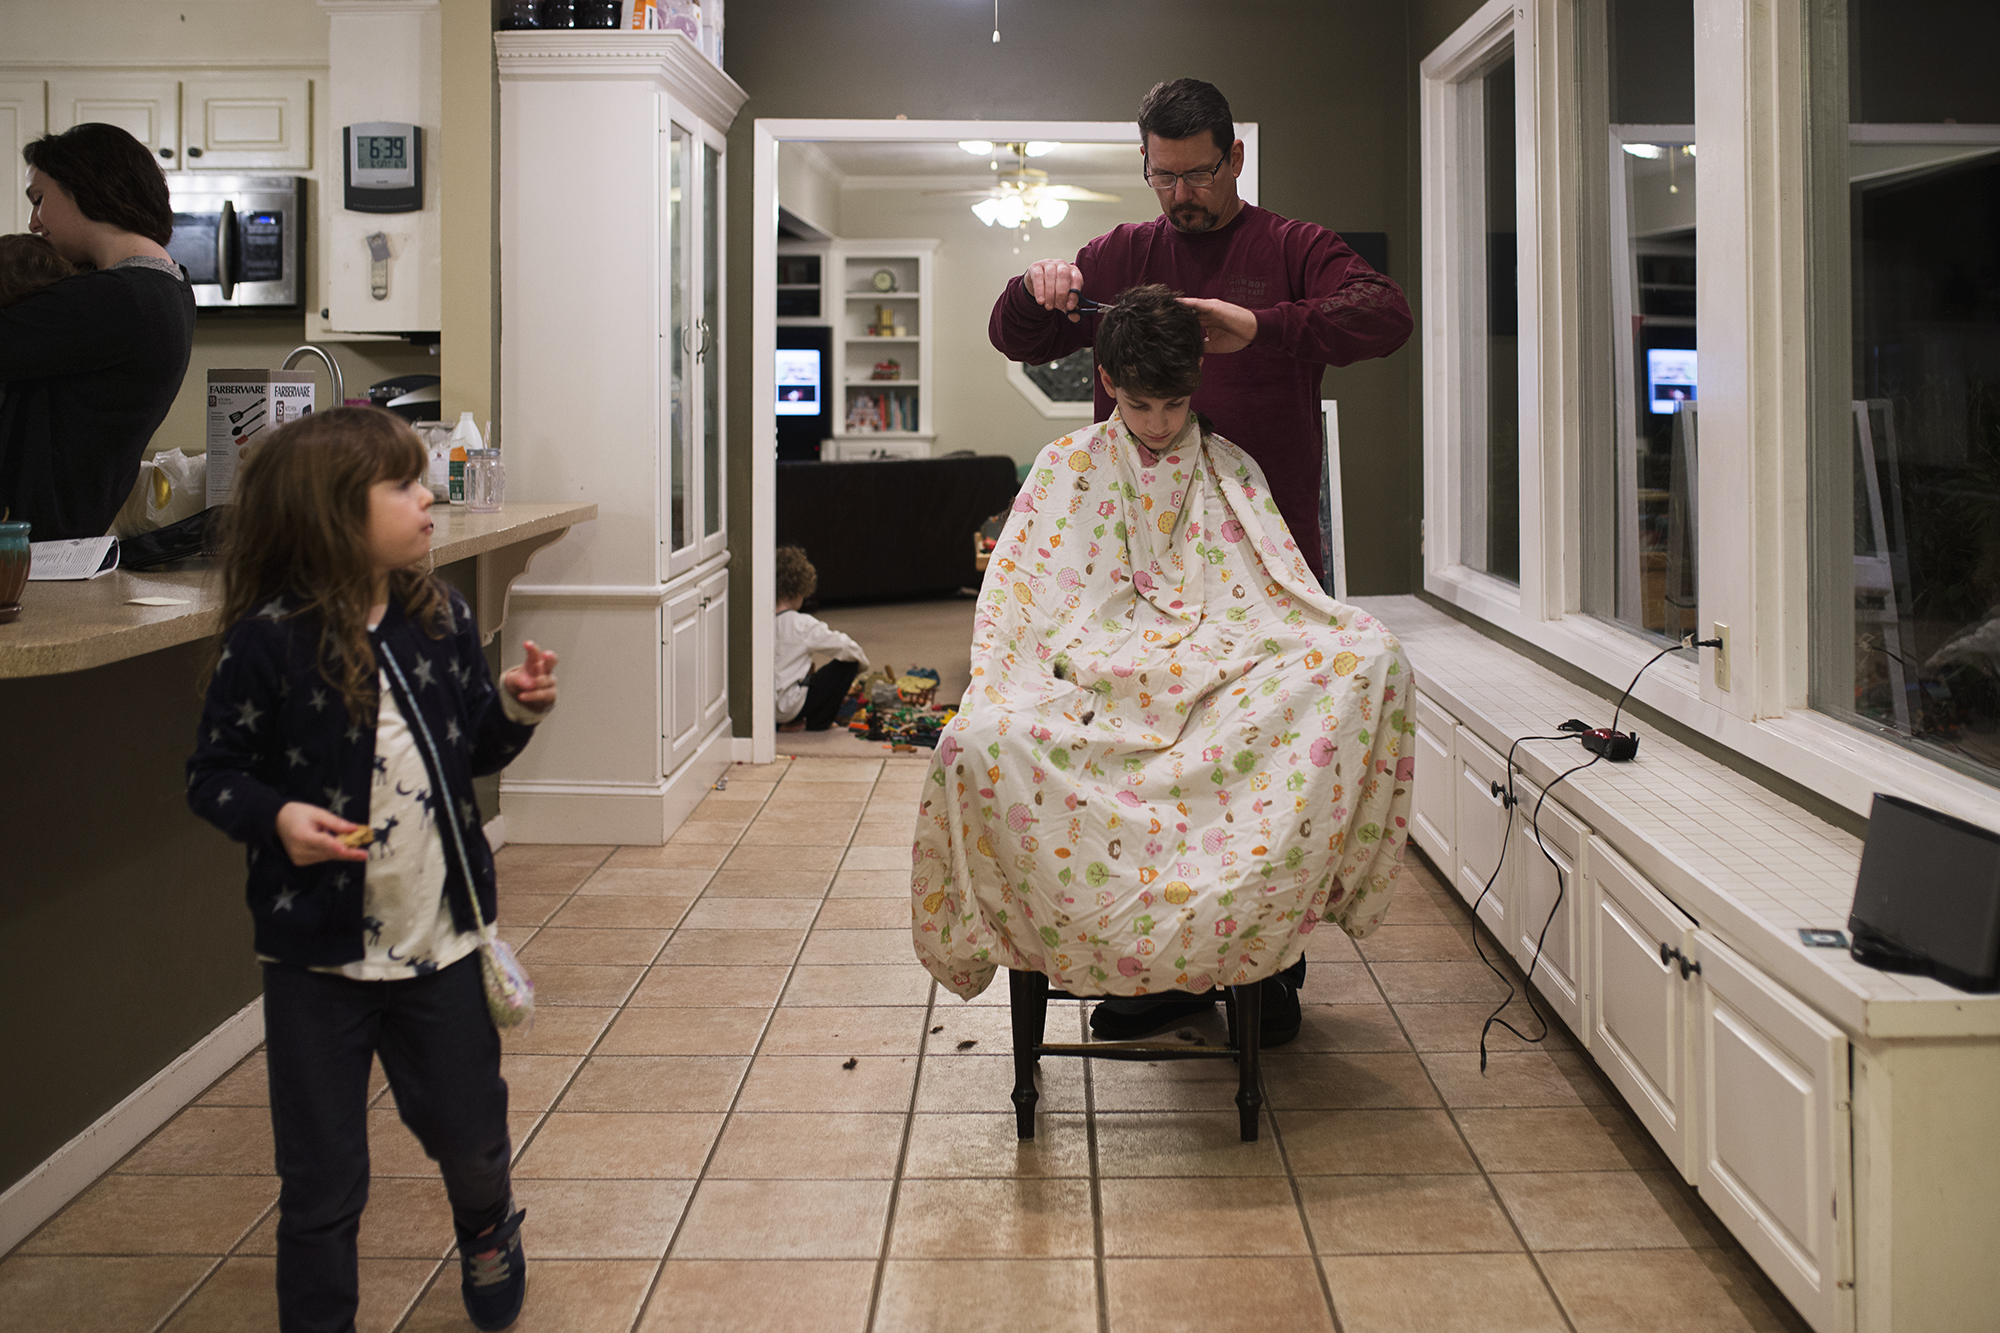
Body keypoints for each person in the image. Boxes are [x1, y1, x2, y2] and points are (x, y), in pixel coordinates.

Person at [914, 285, 1412, 1045]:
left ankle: (1245, 950)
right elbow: (1020, 606)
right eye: (1143, 406)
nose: (1159, 426)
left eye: (1176, 406)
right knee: (977, 741)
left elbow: (1276, 597)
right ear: (1110, 384)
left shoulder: (1229, 469)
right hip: (1088, 680)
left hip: (1216, 674)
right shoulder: (1064, 468)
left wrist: (1208, 659)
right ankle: (1125, 957)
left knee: (1370, 651)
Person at [186, 407, 560, 1333]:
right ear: (329, 514)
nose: (429, 496)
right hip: (315, 962)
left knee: (468, 1135)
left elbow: (470, 746)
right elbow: (212, 776)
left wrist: (512, 708)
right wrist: (276, 815)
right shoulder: (267, 644)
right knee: (319, 1179)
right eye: (403, 484)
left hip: (440, 945)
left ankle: (486, 1228)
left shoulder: (439, 617)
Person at [989, 77, 1413, 590]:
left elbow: (1387, 314)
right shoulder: (1118, 255)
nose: (1181, 194)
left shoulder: (1293, 247)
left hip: (1267, 540)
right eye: (1163, 176)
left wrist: (1262, 326)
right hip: (1138, 543)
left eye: (1197, 174)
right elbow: (1019, 341)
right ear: (1145, 161)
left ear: (1234, 158)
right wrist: (1030, 289)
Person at [0, 123, 195, 538]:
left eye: (39, 200)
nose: (34, 222)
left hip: (34, 549)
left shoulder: (119, 298)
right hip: (61, 538)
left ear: (85, 187)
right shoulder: (171, 289)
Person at [775, 544, 871, 732]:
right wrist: (861, 667)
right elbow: (845, 647)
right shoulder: (802, 624)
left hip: (765, 707)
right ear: (798, 591)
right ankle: (818, 722)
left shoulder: (759, 622)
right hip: (792, 706)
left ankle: (781, 726)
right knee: (847, 664)